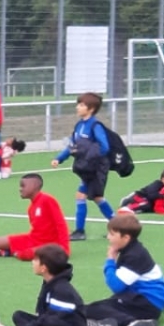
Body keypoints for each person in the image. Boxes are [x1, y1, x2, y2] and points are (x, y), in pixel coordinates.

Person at [82, 212, 164, 326]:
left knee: (94, 309)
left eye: (112, 234)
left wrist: (110, 260)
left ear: (126, 237)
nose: (108, 237)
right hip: (143, 300)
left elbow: (116, 285)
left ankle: (132, 323)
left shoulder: (135, 255)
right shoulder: (132, 249)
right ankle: (108, 323)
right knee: (95, 307)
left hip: (146, 304)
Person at [51, 92, 123, 238]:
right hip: (88, 168)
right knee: (87, 196)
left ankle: (114, 228)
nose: (78, 107)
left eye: (82, 105)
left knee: (92, 197)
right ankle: (115, 228)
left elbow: (104, 146)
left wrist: (89, 157)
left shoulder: (95, 126)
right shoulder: (79, 125)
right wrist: (59, 158)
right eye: (78, 104)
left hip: (96, 168)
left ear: (91, 109)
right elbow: (73, 146)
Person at [2, 244, 86, 326]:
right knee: (18, 315)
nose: (32, 262)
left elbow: (53, 317)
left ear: (44, 268)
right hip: (51, 320)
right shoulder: (49, 282)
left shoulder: (61, 288)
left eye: (35, 260)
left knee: (49, 322)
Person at [0, 172, 69, 260]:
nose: (20, 189)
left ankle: (14, 252)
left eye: (23, 186)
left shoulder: (47, 200)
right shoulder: (31, 208)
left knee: (25, 255)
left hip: (50, 244)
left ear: (34, 186)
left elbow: (61, 224)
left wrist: (64, 248)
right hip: (33, 240)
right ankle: (14, 251)